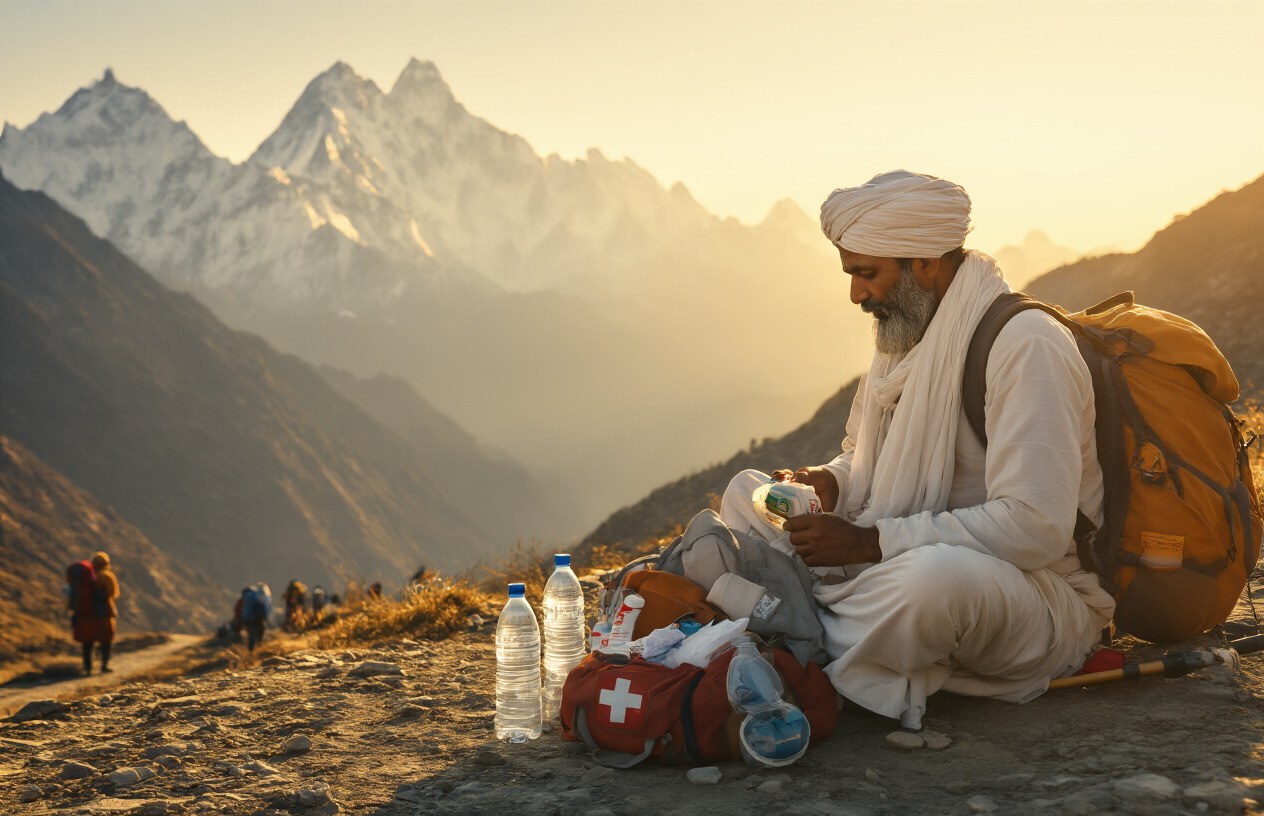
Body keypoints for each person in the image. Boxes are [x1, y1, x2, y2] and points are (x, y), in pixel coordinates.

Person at [720, 170, 1115, 730]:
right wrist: (833, 481)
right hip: (892, 554)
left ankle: (784, 619)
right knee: (749, 494)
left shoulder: (1026, 345)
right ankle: (815, 628)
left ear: (924, 263)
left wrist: (868, 543)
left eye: (866, 273)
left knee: (931, 586)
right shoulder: (908, 333)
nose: (855, 293)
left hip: (1032, 594)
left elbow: (1035, 527)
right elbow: (863, 455)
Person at [73, 552, 119, 674]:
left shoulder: (84, 577)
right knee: (106, 640)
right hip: (104, 615)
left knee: (87, 642)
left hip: (85, 615)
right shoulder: (106, 576)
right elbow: (112, 593)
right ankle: (104, 665)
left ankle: (87, 667)